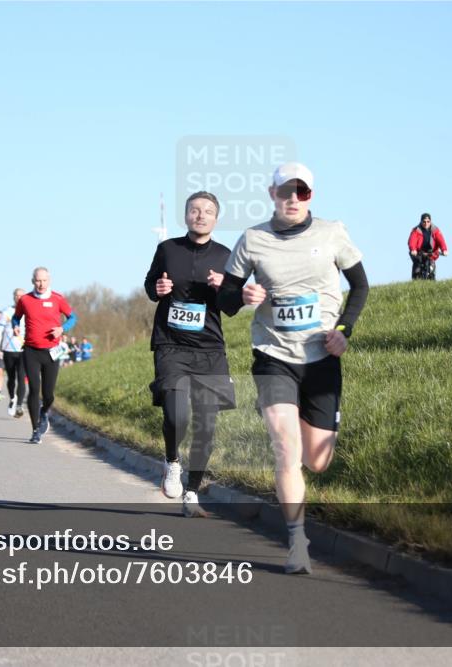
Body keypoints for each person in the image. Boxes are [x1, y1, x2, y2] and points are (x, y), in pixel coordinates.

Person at [218, 163, 369, 573]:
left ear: (310, 196)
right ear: (272, 193)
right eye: (286, 191)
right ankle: (297, 541)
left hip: (321, 358)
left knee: (317, 461)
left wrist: (344, 330)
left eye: (302, 192)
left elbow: (360, 285)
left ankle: (308, 434)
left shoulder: (331, 233)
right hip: (273, 355)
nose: (293, 199)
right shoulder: (253, 239)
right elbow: (226, 299)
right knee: (286, 448)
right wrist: (243, 296)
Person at [144, 191, 236, 517]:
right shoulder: (167, 249)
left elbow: (233, 306)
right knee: (177, 414)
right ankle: (172, 461)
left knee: (206, 425)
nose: (200, 215)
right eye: (195, 210)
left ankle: (193, 491)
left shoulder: (226, 255)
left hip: (209, 349)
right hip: (171, 345)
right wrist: (157, 289)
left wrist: (224, 288)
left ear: (216, 219)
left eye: (208, 211)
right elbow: (150, 284)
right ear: (185, 215)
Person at [12, 267, 77, 443]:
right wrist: (15, 325)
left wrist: (62, 329)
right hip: (31, 351)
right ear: (32, 281)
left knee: (48, 395)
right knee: (34, 390)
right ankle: (35, 430)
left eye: (44, 280)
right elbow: (16, 317)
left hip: (51, 353)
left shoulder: (58, 299)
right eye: (38, 281)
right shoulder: (25, 300)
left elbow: (73, 318)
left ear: (49, 280)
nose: (41, 284)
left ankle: (44, 412)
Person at [2, 289, 27, 418]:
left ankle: (19, 405)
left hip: (24, 349)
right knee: (11, 378)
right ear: (13, 297)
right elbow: (0, 330)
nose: (19, 297)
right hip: (9, 350)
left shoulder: (29, 311)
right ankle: (12, 398)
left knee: (21, 377)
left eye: (21, 295)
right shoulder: (7, 312)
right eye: (16, 295)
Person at [407, 213, 448, 280]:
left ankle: (431, 280)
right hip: (419, 253)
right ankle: (416, 280)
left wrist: (444, 250)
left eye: (428, 221)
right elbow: (412, 241)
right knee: (417, 269)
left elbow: (441, 240)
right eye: (424, 222)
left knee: (431, 268)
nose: (426, 223)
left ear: (430, 221)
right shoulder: (416, 230)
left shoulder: (435, 230)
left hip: (431, 253)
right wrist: (413, 249)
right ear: (421, 221)